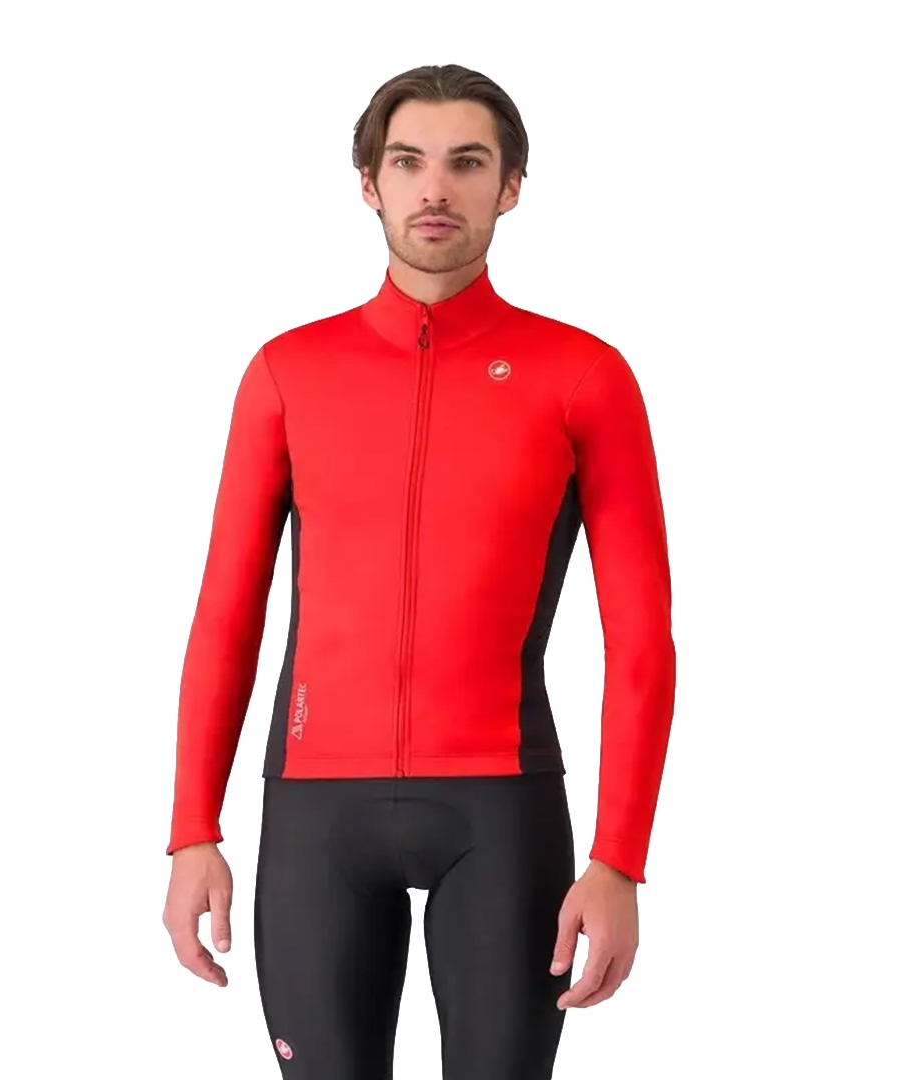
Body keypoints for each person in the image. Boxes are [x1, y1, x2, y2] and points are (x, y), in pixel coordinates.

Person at [162, 63, 677, 1079]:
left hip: (503, 810)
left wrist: (619, 859)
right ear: (369, 183)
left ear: (511, 187)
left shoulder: (584, 377)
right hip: (316, 812)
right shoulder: (288, 373)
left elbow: (641, 639)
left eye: (467, 163)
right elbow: (226, 614)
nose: (435, 188)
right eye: (408, 162)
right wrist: (191, 830)